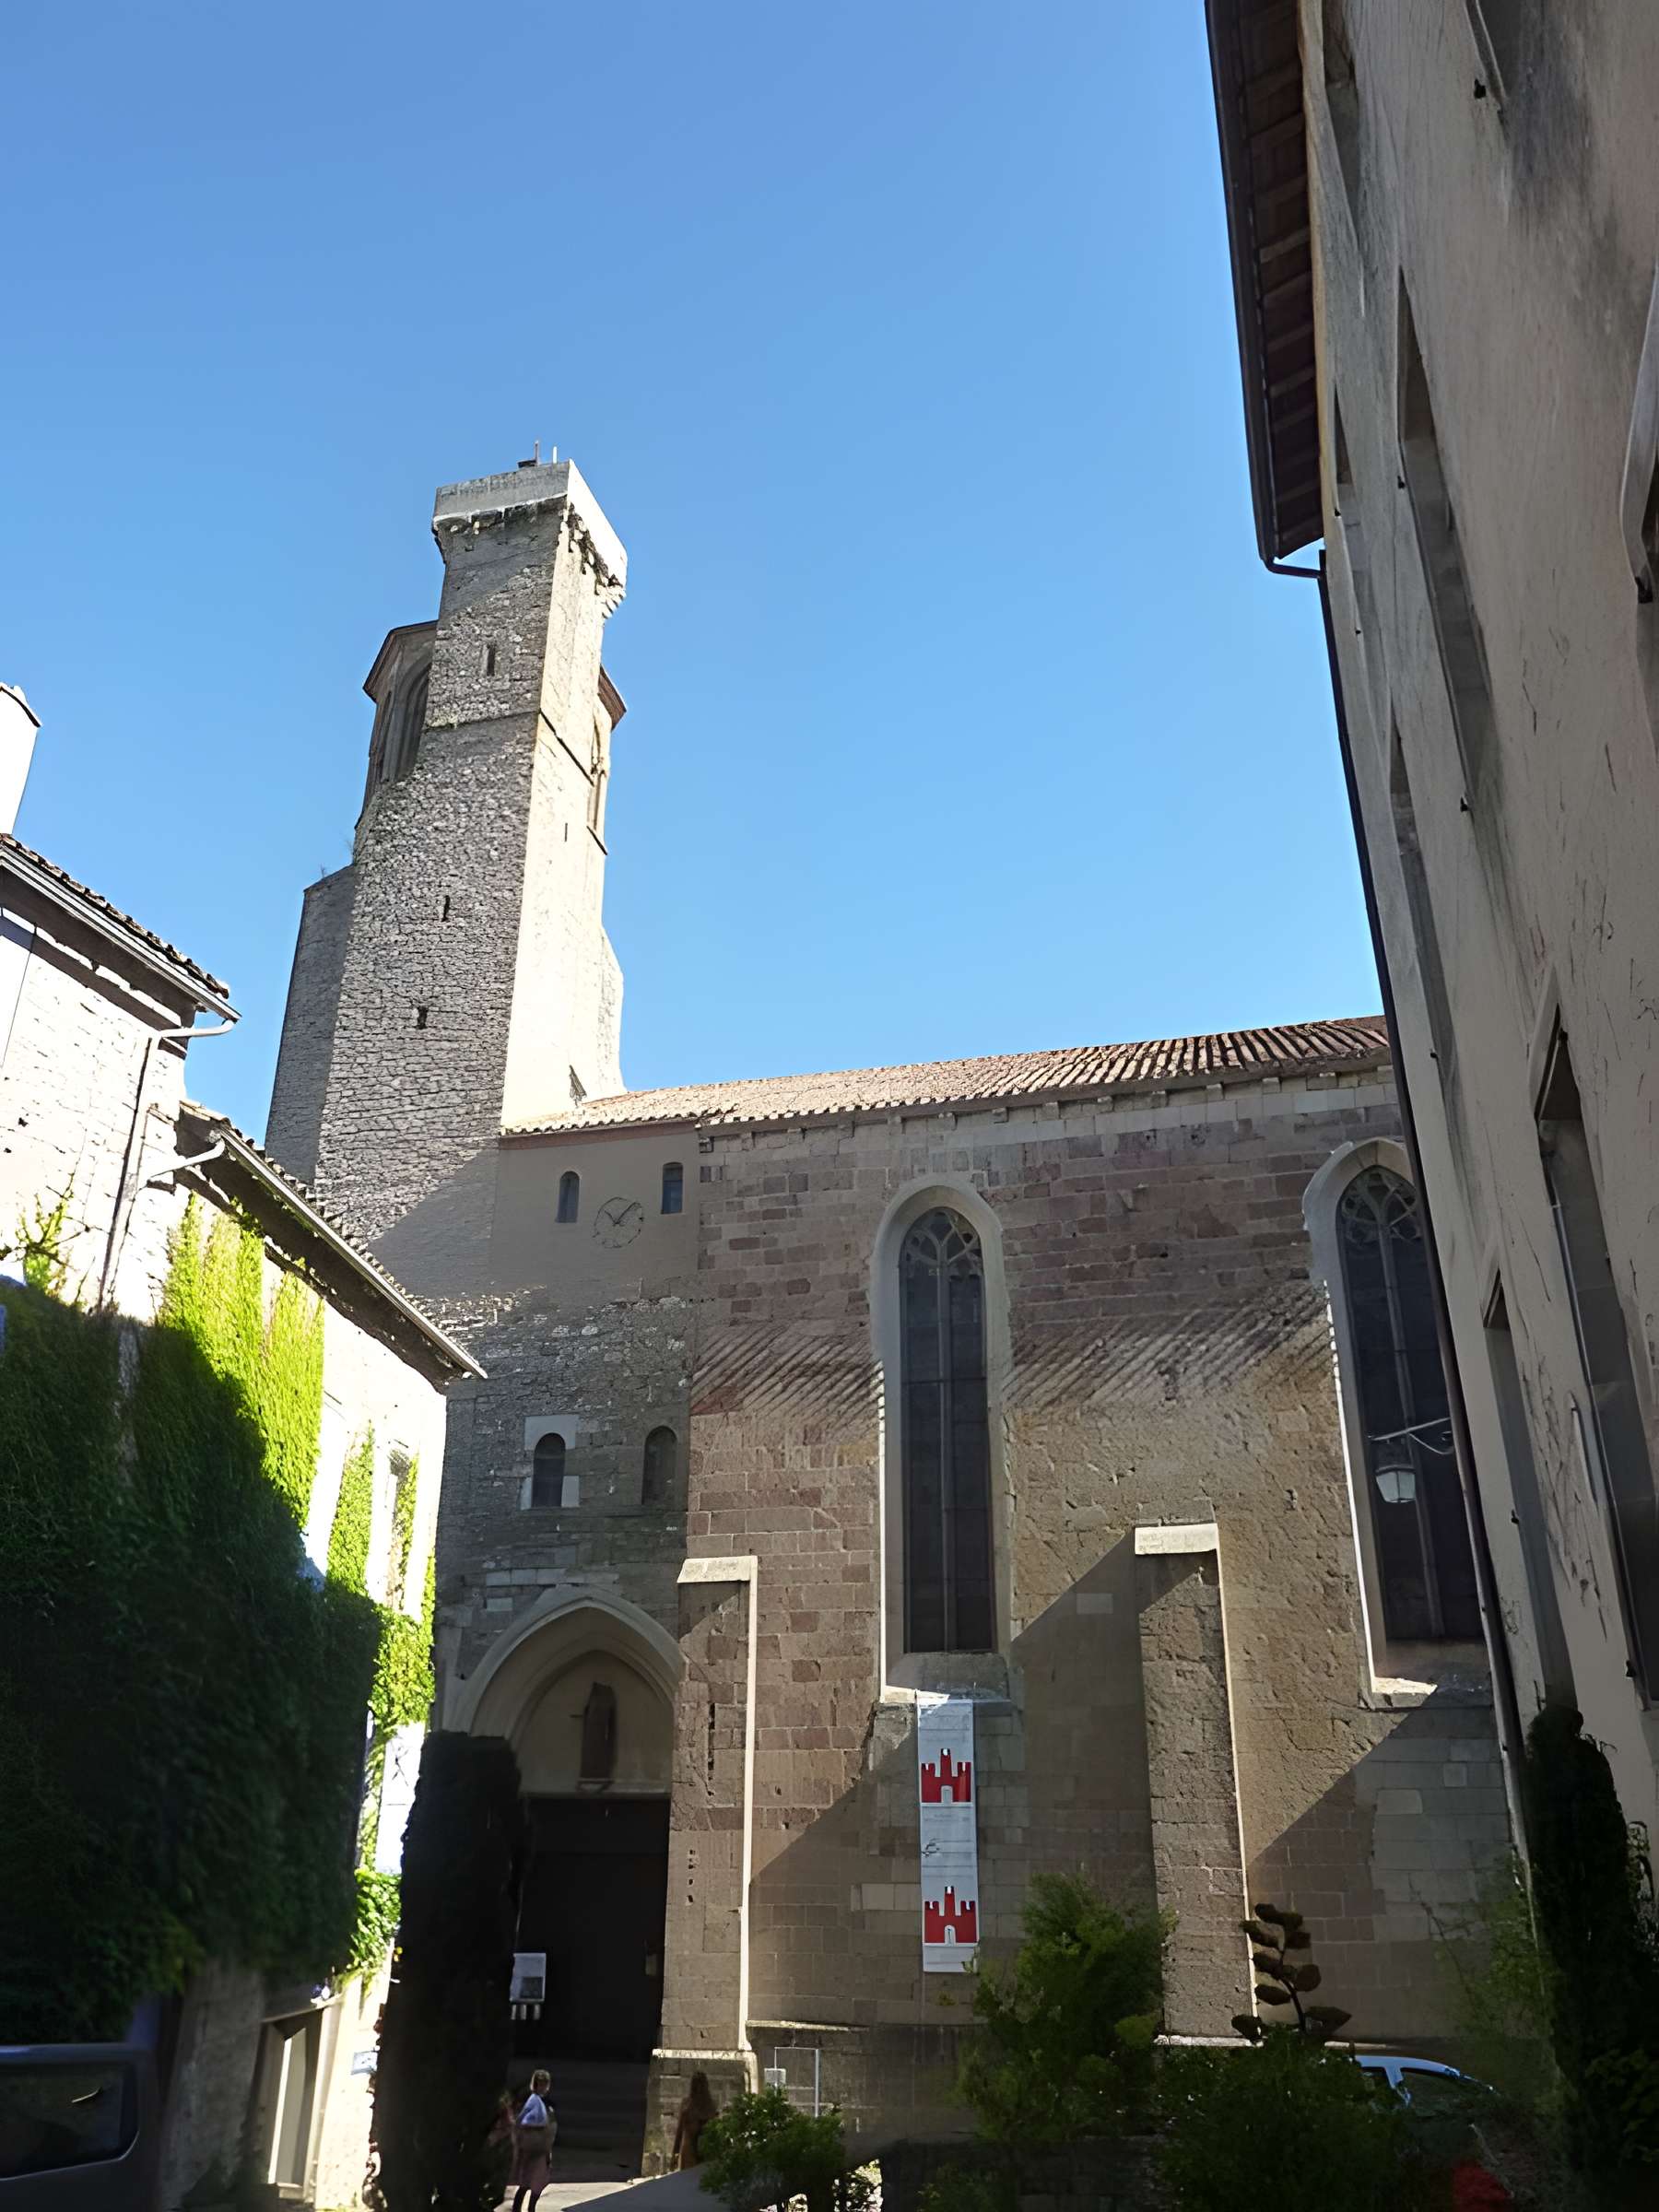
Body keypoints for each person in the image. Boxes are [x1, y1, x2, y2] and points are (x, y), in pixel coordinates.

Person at [509, 2070, 555, 2212]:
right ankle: (527, 2209)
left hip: (538, 2147)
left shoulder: (539, 2101)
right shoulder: (535, 2101)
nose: (543, 2087)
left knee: (531, 2182)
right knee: (531, 2182)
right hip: (534, 2147)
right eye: (541, 2084)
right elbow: (523, 2122)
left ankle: (528, 2209)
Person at [672, 2071, 718, 2171]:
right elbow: (680, 2131)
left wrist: (674, 2155)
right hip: (691, 2150)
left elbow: (680, 2131)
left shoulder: (711, 2105)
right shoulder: (689, 2104)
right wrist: (675, 2154)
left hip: (702, 2150)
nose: (699, 2088)